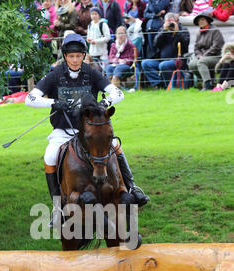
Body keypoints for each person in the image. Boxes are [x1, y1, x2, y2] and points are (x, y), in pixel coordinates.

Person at [25, 33, 149, 227]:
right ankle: (58, 208)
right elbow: (29, 99)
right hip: (63, 132)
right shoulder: (55, 75)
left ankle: (133, 188)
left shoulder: (91, 72)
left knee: (115, 144)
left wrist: (105, 102)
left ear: (84, 55)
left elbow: (118, 93)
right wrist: (54, 102)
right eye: (71, 56)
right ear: (65, 56)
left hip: (91, 132)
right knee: (49, 156)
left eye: (79, 56)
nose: (75, 60)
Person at [141, 12, 190, 88]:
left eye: (172, 21)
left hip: (177, 60)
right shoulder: (162, 30)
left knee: (163, 65)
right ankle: (158, 84)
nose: (170, 24)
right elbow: (156, 44)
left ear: (176, 21)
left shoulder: (183, 30)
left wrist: (177, 32)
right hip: (161, 60)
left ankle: (169, 86)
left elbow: (186, 44)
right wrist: (164, 31)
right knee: (145, 63)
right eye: (168, 21)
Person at [188, 10, 225, 90]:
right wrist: (199, 55)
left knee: (201, 62)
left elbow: (217, 46)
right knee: (192, 64)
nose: (200, 22)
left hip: (215, 56)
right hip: (202, 56)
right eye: (199, 20)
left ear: (208, 20)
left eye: (202, 19)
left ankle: (207, 85)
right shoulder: (199, 33)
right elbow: (196, 48)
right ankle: (206, 81)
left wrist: (204, 56)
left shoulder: (215, 31)